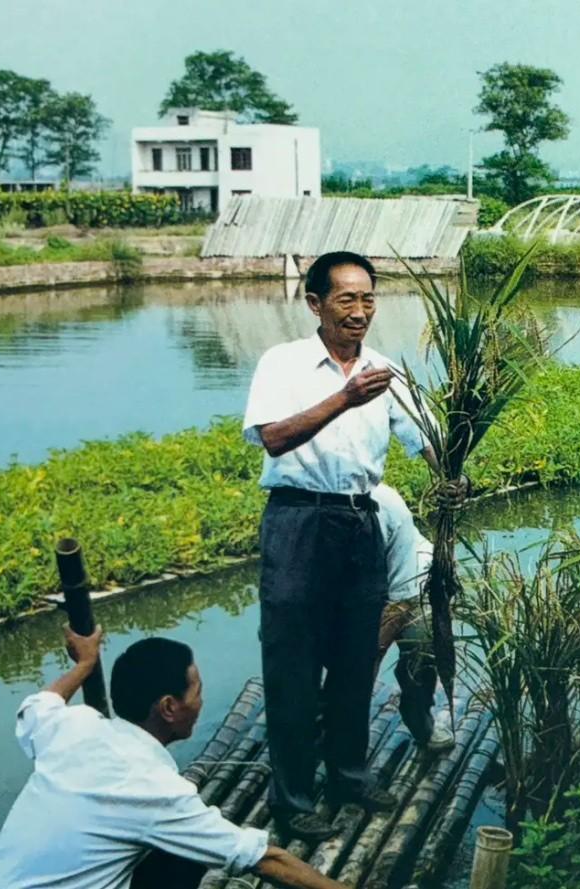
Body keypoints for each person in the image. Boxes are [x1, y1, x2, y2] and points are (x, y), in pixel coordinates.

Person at [242, 251, 465, 842]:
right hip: (298, 523)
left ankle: (349, 776)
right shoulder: (283, 364)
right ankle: (292, 799)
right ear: (314, 303)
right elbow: (272, 438)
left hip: (359, 524)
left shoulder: (383, 370)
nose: (360, 311)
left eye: (368, 299)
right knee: (290, 666)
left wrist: (452, 474)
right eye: (346, 299)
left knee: (351, 662)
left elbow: (424, 442)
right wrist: (344, 397)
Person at [0, 627, 347, 889]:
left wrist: (84, 664)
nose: (201, 702)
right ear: (169, 707)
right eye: (197, 691)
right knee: (185, 857)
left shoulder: (74, 725)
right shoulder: (153, 788)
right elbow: (264, 859)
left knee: (174, 856)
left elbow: (37, 705)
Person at [371, 483, 454, 753]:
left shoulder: (380, 505)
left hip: (412, 584)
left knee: (420, 661)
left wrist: (373, 651)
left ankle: (422, 726)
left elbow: (399, 603)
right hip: (366, 588)